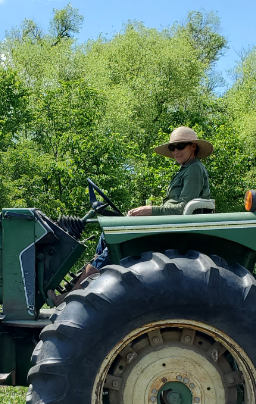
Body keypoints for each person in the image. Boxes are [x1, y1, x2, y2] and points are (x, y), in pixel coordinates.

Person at [60, 127, 213, 296]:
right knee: (107, 235)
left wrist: (150, 210)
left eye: (181, 146)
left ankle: (73, 294)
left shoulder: (194, 169)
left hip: (175, 228)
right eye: (172, 148)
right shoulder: (186, 169)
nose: (176, 151)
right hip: (170, 224)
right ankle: (84, 283)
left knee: (115, 241)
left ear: (193, 147)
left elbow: (181, 208)